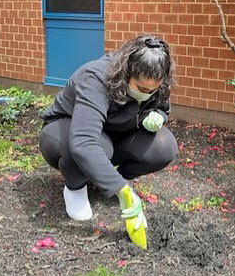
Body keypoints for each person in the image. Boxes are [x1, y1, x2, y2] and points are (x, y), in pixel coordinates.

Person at [39, 35, 178, 249]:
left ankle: (110, 179)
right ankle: (75, 187)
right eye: (141, 89)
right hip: (65, 131)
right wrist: (122, 190)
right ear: (127, 72)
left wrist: (159, 115)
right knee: (98, 147)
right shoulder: (96, 78)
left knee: (163, 145)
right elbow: (84, 141)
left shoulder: (156, 80)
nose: (147, 94)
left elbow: (162, 107)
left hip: (114, 134)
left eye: (153, 90)